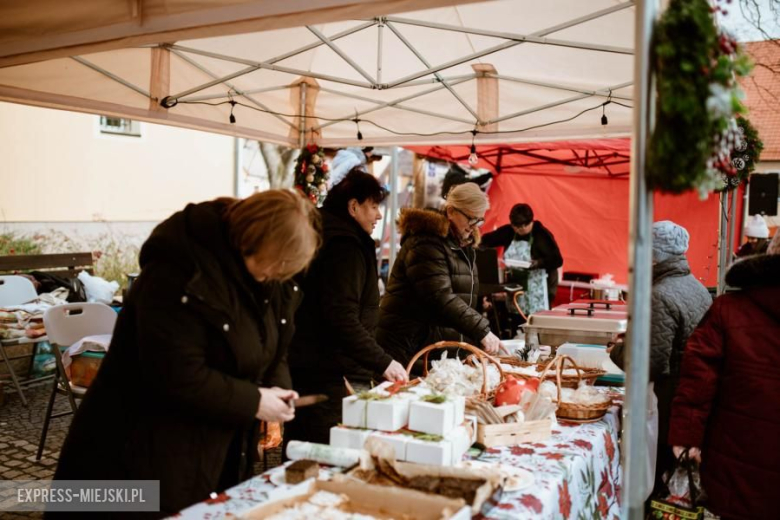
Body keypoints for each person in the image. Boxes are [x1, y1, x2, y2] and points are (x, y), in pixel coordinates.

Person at [50, 190, 321, 517]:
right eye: (273, 266)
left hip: (210, 453)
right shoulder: (177, 272)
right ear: (250, 240)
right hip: (135, 454)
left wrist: (278, 386)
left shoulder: (266, 277)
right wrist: (255, 400)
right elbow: (174, 374)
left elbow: (274, 341)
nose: (275, 276)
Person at [285, 169, 408, 446]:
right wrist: (383, 362)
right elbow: (341, 316)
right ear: (353, 206)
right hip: (329, 370)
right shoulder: (344, 246)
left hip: (306, 364)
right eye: (374, 206)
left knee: (302, 447)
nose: (378, 215)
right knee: (322, 450)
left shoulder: (320, 229)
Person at [669, 233, 780, 519]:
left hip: (737, 462)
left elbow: (698, 379)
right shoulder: (728, 310)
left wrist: (687, 438)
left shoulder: (729, 310)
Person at [609, 220, 711, 493]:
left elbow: (649, 364)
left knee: (654, 480)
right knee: (668, 477)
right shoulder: (697, 287)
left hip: (665, 401)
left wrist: (617, 351)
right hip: (687, 398)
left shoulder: (658, 295)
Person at [376, 182, 503, 366]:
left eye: (479, 220)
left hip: (435, 347)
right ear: (451, 211)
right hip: (410, 347)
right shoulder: (426, 242)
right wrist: (481, 330)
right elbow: (439, 296)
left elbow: (460, 291)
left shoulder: (462, 243)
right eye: (470, 218)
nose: (474, 226)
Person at [480, 203, 563, 311]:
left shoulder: (541, 234)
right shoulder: (508, 232)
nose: (522, 229)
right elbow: (485, 241)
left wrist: (538, 263)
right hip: (515, 288)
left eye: (525, 225)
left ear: (531, 221)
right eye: (517, 227)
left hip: (538, 292)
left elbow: (557, 260)